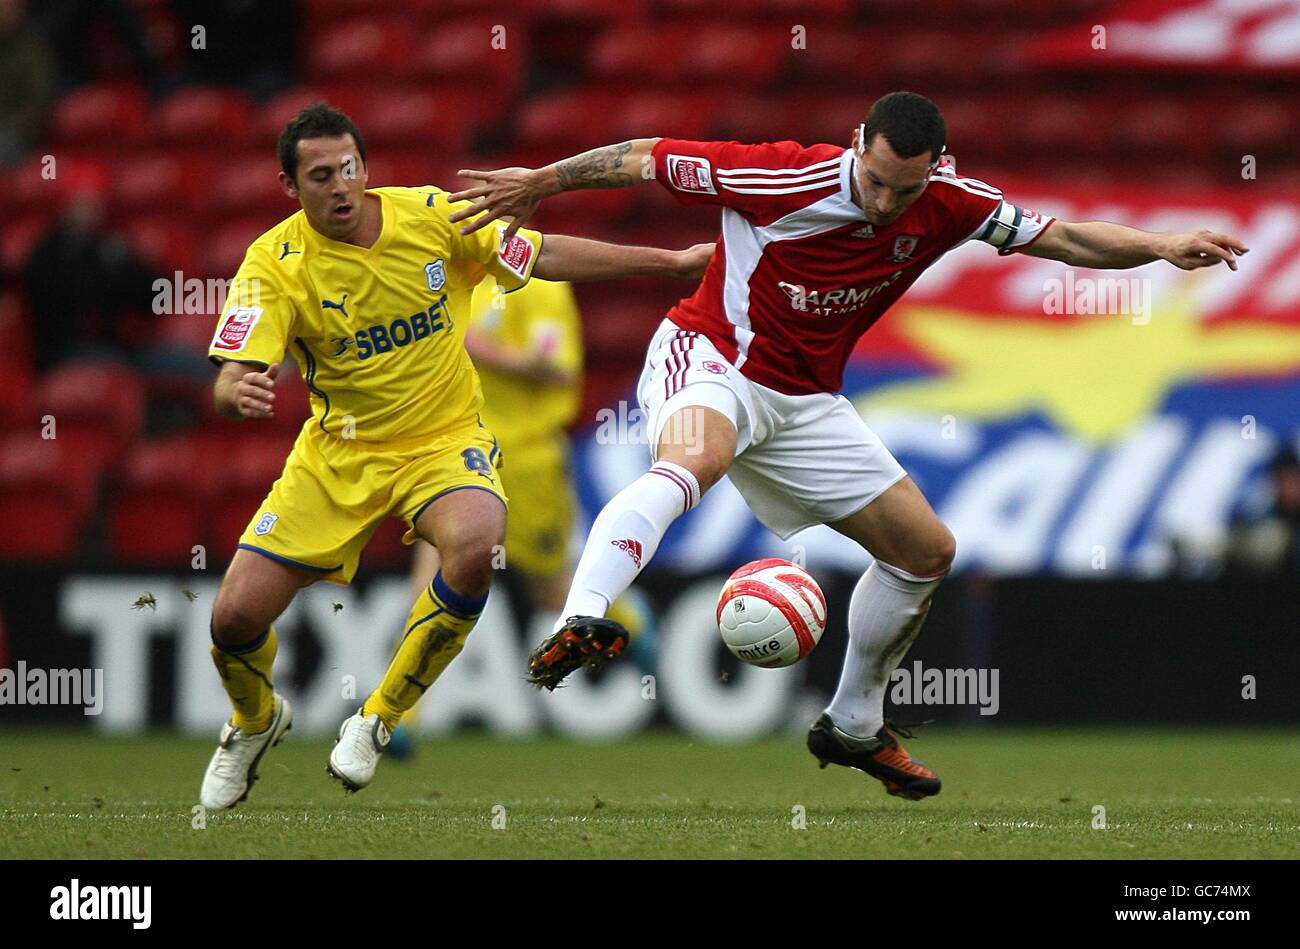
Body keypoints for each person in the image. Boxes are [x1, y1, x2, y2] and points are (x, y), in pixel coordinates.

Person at [449, 90, 1249, 801]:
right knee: (693, 460)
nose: (885, 201)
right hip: (714, 356)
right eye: (875, 181)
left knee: (925, 550)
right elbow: (643, 156)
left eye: (906, 189)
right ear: (856, 141)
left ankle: (853, 724)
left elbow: (1066, 240)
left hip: (803, 400)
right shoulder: (782, 175)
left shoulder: (951, 202)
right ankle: (586, 615)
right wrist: (540, 182)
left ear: (937, 168)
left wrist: (1161, 244)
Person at [199, 103, 710, 810]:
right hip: (336, 455)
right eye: (321, 175)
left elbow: (547, 252)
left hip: (444, 441)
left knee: (473, 547)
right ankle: (255, 721)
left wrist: (673, 263)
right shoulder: (274, 262)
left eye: (350, 167)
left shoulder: (435, 217)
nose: (341, 185)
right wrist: (236, 390)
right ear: (290, 187)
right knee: (232, 619)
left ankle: (379, 719)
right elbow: (232, 375)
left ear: (366, 167)